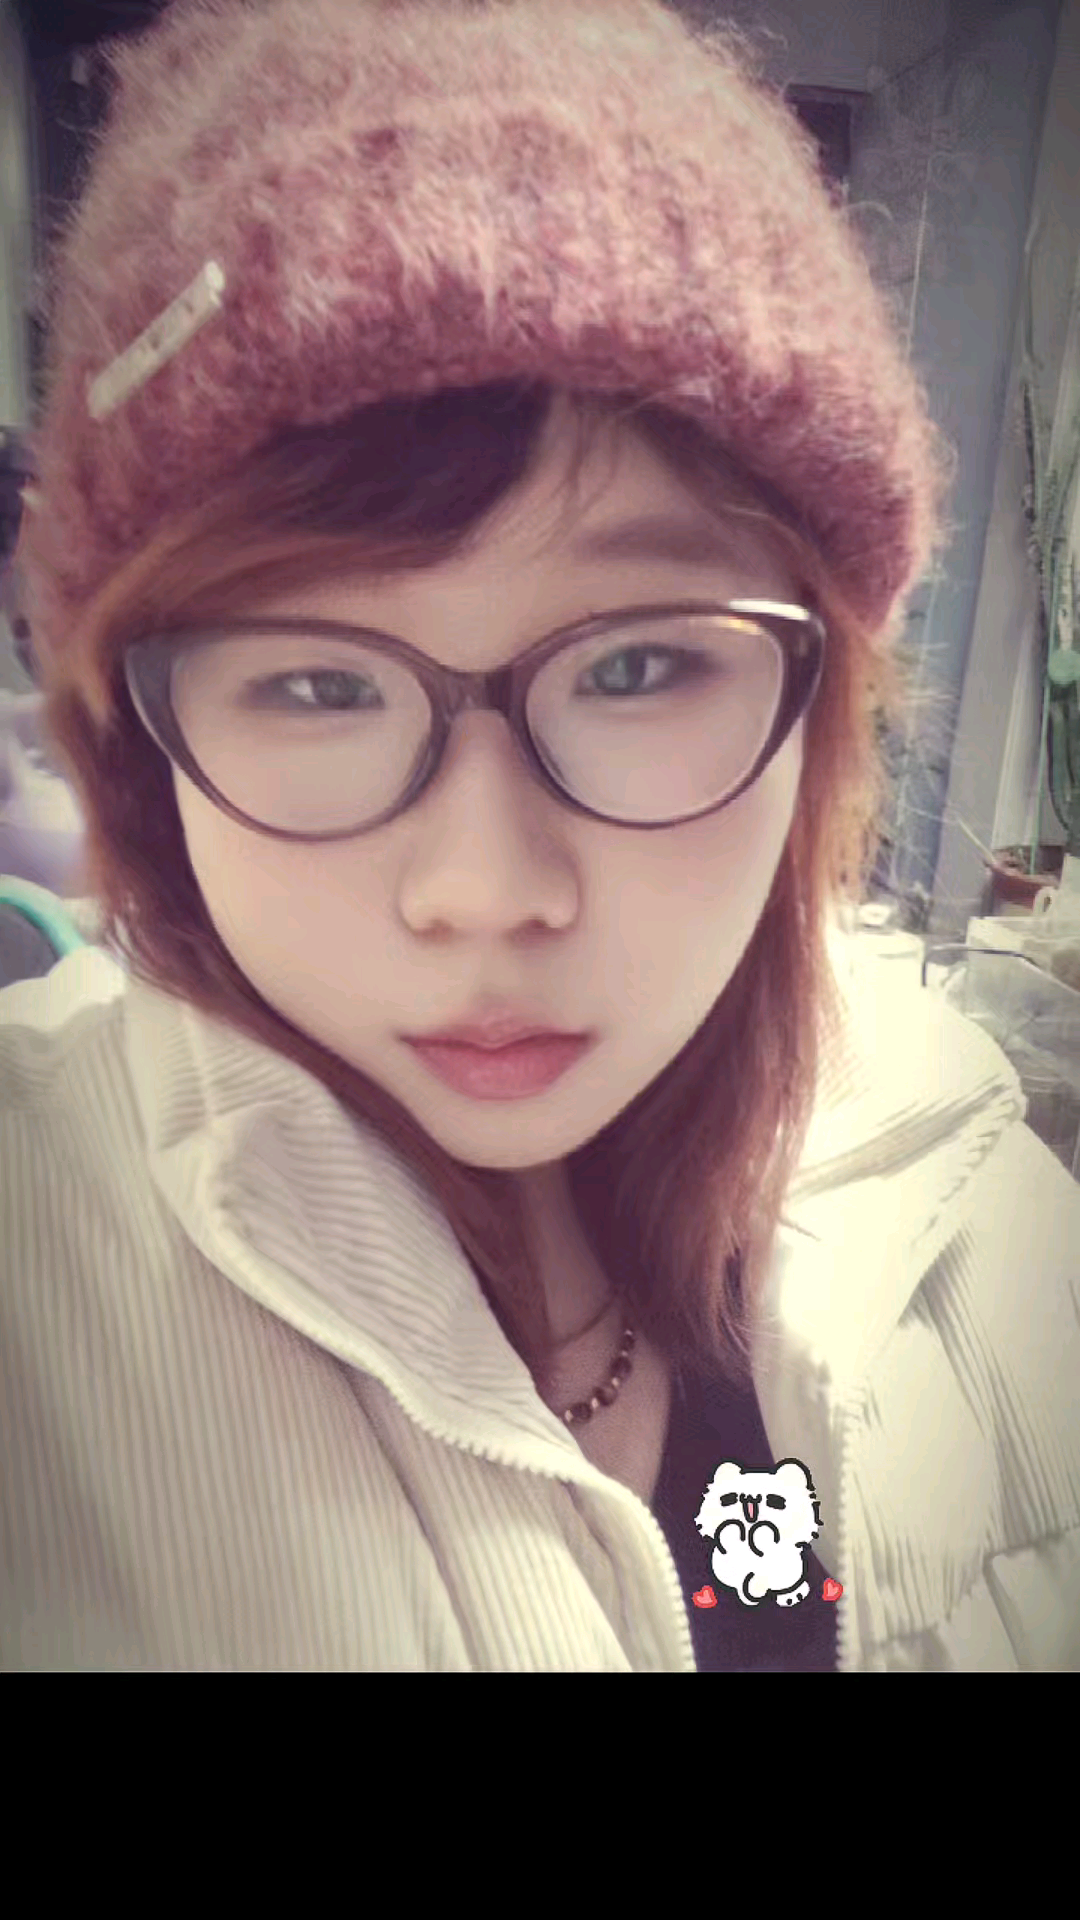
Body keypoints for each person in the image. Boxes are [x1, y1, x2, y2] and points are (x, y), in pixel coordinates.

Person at [1, 0, 1077, 1673]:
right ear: (143, 754)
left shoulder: (974, 1189)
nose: (485, 890)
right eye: (314, 685)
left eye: (636, 667)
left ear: (820, 698)